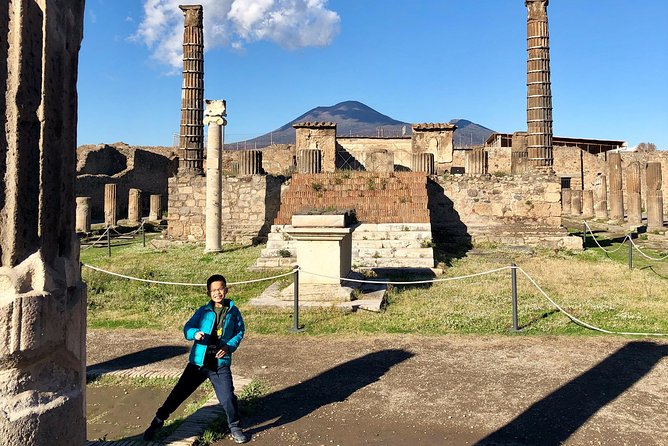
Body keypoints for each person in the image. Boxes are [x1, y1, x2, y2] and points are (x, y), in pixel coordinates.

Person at [143, 274, 250, 443]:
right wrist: (195, 333)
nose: (218, 293)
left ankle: (235, 428)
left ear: (226, 290)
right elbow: (188, 328)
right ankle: (157, 422)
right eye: (214, 290)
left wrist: (229, 346)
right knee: (177, 395)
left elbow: (239, 331)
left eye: (220, 289)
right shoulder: (203, 311)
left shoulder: (233, 312)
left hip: (220, 364)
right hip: (198, 363)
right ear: (209, 293)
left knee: (228, 397)